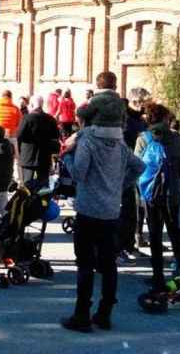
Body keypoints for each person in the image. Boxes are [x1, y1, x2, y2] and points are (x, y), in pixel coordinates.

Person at [62, 113, 145, 332]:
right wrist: (120, 185)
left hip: (89, 208)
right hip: (110, 210)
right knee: (108, 265)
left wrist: (68, 158)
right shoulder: (119, 144)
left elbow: (79, 173)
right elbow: (139, 167)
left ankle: (82, 314)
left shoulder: (88, 142)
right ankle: (105, 313)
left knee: (85, 264)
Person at [135, 103, 180, 293]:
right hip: (173, 194)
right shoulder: (177, 138)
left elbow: (136, 166)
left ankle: (157, 276)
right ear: (165, 119)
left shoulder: (143, 139)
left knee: (155, 235)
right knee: (176, 236)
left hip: (151, 194)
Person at [120, 90, 149, 259]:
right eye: (143, 102)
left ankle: (132, 243)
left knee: (136, 209)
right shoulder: (130, 121)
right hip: (129, 168)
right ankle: (126, 245)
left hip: (137, 167)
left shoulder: (138, 119)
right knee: (129, 209)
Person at [16, 95, 61, 193]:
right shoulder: (50, 119)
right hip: (44, 156)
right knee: (43, 187)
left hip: (27, 156)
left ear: (31, 105)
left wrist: (19, 152)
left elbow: (19, 135)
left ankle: (28, 206)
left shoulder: (26, 118)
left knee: (27, 186)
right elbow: (56, 136)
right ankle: (43, 206)